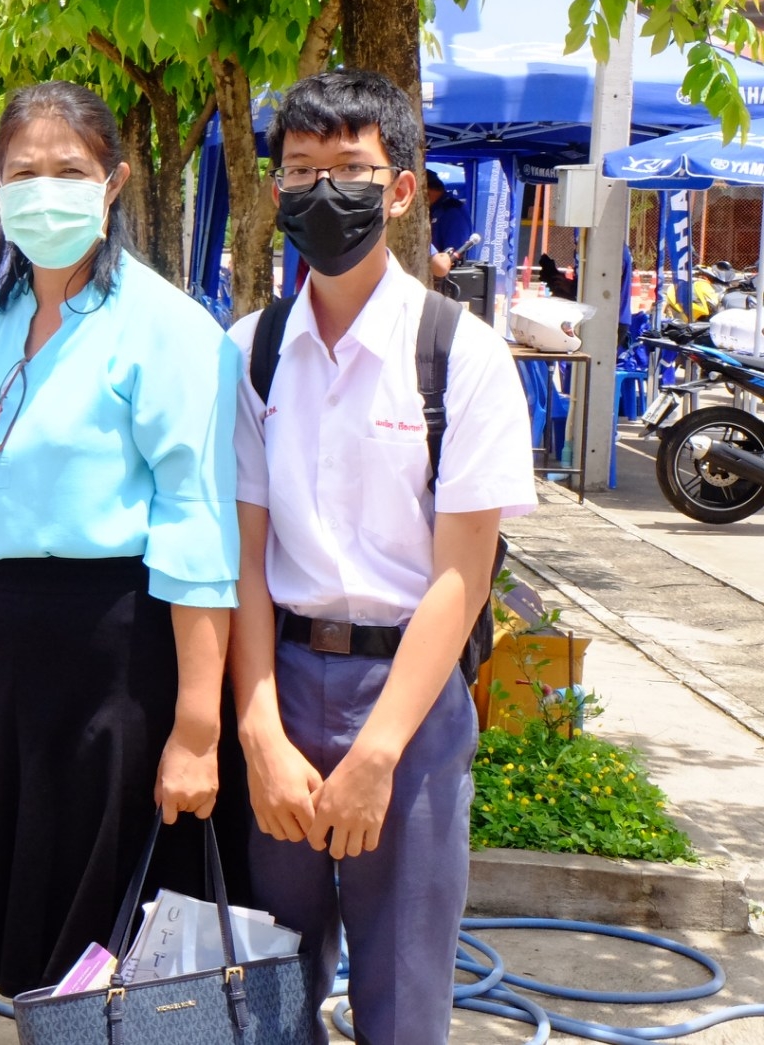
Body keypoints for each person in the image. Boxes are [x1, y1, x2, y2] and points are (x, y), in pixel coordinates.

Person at [0, 82, 241, 998]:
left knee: (118, 956)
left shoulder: (167, 328)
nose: (44, 191)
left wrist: (196, 730)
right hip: (19, 678)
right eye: (24, 173)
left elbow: (198, 533)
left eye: (70, 171)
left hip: (123, 667)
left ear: (115, 182)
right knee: (40, 958)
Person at [228, 69, 535, 1045]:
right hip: (278, 682)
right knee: (265, 1001)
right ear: (273, 189)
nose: (323, 193)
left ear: (399, 188)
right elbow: (239, 557)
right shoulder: (250, 351)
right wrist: (257, 733)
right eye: (300, 170)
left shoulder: (459, 355)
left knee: (401, 1004)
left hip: (405, 704)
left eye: (350, 170)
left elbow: (460, 574)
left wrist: (378, 752)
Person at [426, 169, 473, 279]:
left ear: (425, 191)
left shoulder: (453, 210)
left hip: (445, 278)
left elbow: (453, 252)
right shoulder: (434, 209)